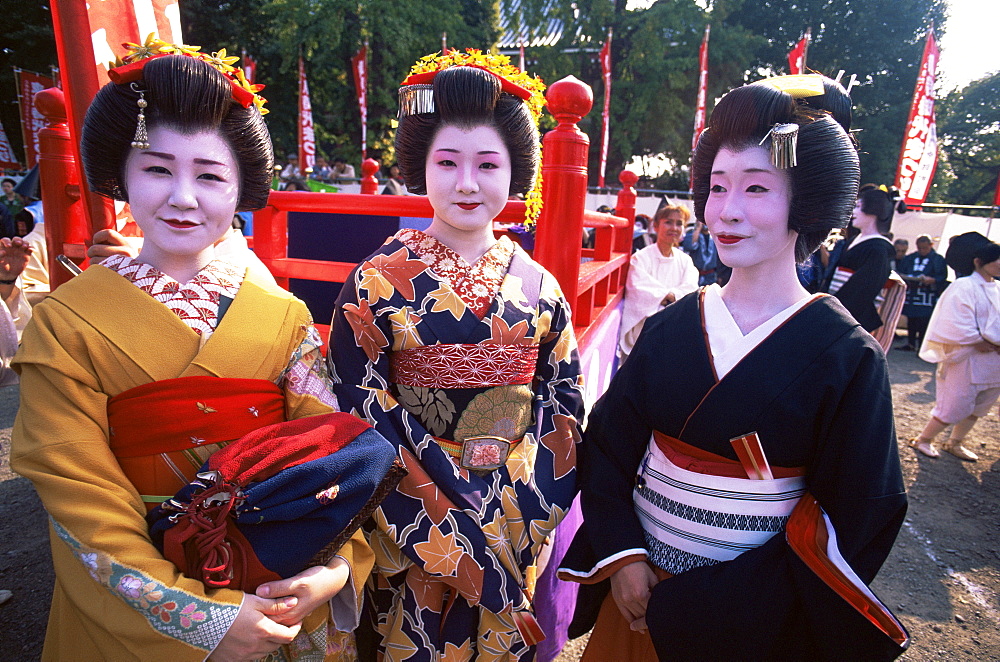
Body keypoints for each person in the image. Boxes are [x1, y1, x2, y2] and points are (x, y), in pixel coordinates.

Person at [10, 47, 378, 661]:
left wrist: (332, 570)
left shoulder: (283, 319)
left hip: (274, 577)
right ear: (122, 175)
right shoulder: (65, 324)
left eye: (210, 176)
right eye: (157, 169)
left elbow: (330, 456)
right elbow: (78, 494)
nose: (183, 197)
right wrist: (199, 618)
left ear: (240, 190)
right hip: (142, 588)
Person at [560, 74, 908, 660]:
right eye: (717, 188)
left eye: (755, 189)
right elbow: (610, 448)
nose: (727, 212)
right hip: (637, 594)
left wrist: (721, 605)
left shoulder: (848, 356)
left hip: (751, 620)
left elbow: (856, 512)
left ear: (808, 203)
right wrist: (622, 556)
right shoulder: (671, 329)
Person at [327, 50, 584, 660]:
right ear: (422, 166)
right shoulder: (376, 280)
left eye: (487, 164)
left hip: (517, 506)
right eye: (448, 162)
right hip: (413, 506)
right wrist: (438, 499)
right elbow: (358, 396)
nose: (467, 182)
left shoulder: (539, 286)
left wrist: (528, 504)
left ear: (515, 170)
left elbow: (563, 400)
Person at [910, 240, 1000, 462]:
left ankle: (955, 442)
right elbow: (953, 321)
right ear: (979, 262)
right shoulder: (963, 286)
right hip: (968, 355)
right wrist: (977, 339)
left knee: (981, 403)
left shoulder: (996, 287)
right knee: (956, 402)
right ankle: (924, 439)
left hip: (994, 357)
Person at [619, 203, 699, 358]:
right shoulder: (640, 258)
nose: (674, 228)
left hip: (675, 329)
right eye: (668, 222)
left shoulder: (686, 261)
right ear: (655, 226)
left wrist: (666, 297)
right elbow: (639, 290)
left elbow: (690, 289)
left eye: (679, 223)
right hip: (644, 331)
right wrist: (672, 298)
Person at [824, 184, 897, 332]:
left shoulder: (879, 248)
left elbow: (862, 289)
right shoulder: (854, 240)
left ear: (873, 211)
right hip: (834, 306)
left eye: (858, 207)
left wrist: (833, 311)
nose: (853, 212)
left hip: (852, 316)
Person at [897, 234, 948, 351]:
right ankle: (910, 343)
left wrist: (934, 280)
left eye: (925, 248)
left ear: (931, 245)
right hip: (912, 292)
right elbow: (901, 271)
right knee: (911, 318)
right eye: (920, 248)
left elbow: (942, 276)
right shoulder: (910, 258)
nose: (922, 250)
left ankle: (922, 345)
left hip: (927, 294)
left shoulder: (938, 259)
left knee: (924, 319)